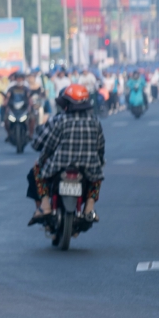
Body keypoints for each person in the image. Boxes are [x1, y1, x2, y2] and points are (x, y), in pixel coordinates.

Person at [27, 83, 105, 223]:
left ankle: (45, 205)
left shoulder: (60, 120)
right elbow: (100, 147)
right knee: (97, 176)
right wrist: (99, 161)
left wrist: (42, 158)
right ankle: (89, 207)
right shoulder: (95, 121)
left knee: (37, 168)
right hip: (88, 167)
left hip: (59, 165)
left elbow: (47, 145)